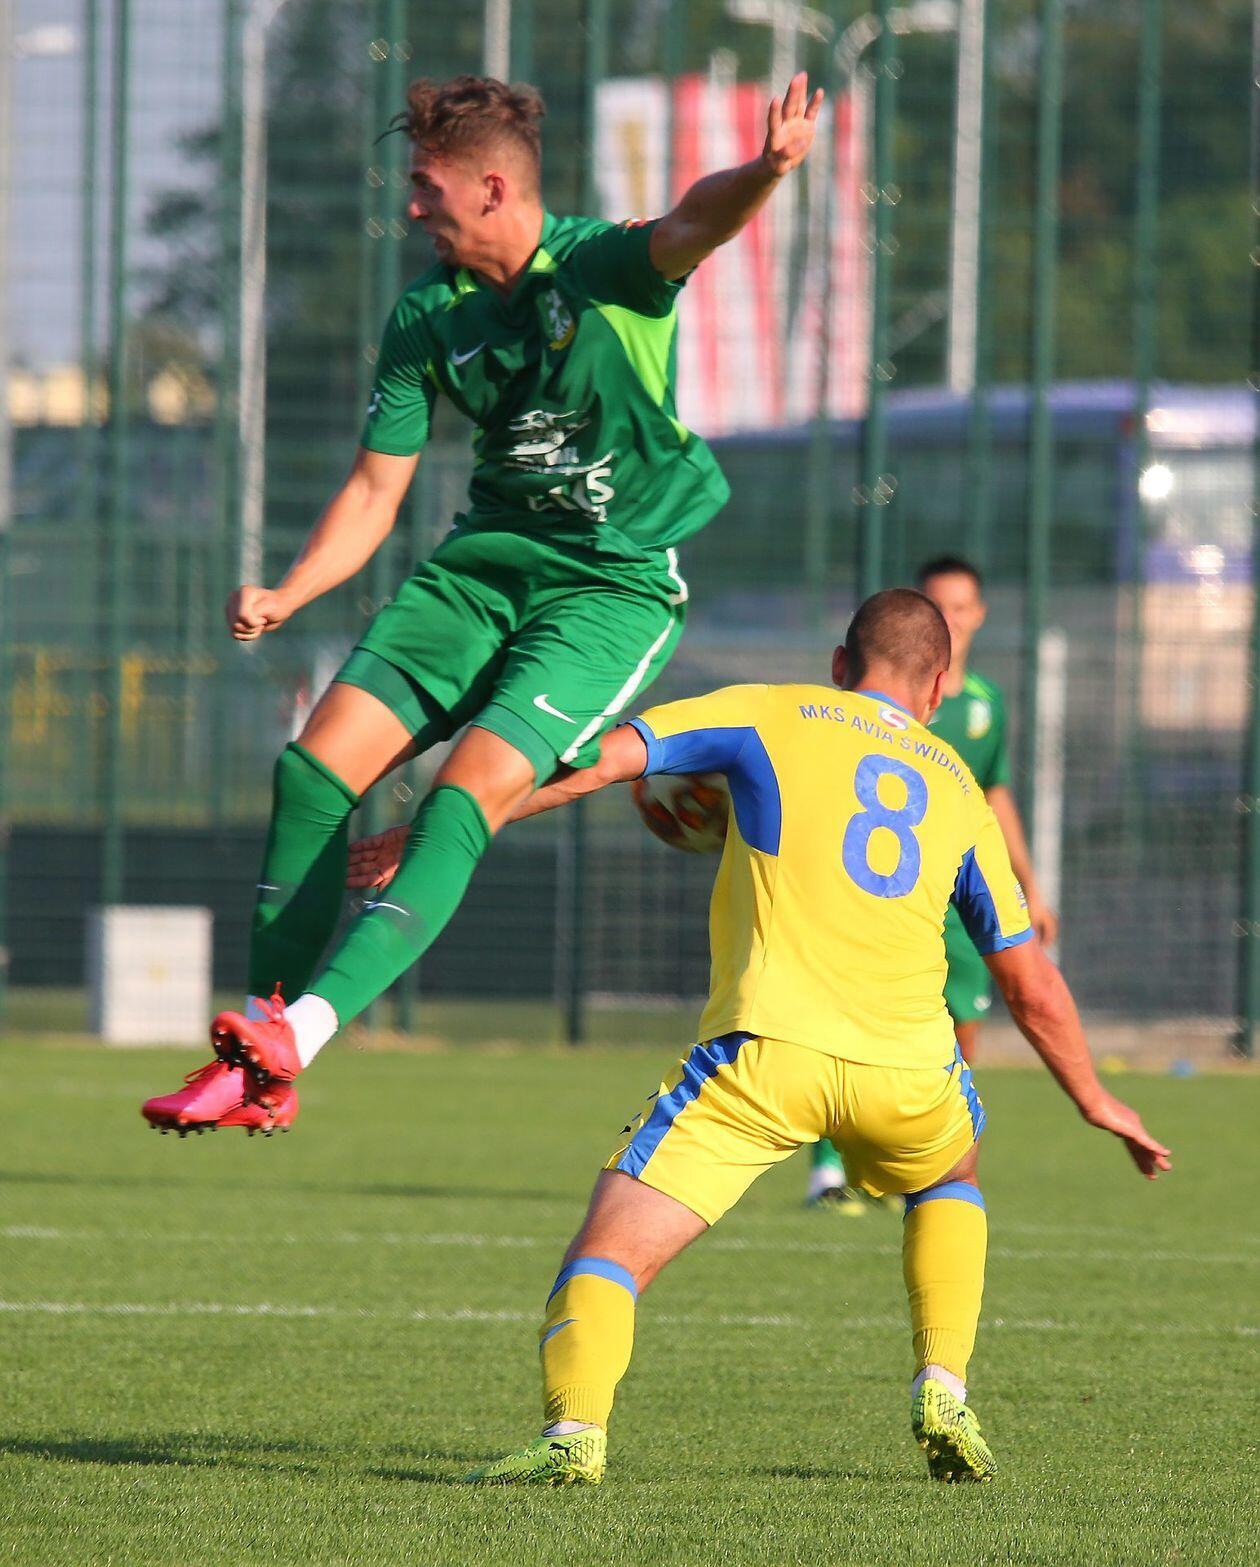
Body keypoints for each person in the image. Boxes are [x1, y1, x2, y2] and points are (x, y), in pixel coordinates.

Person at [141, 70, 824, 1133]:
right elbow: (375, 492)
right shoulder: (426, 316)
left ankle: (296, 1040)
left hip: (609, 585)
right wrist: (290, 589)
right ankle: (251, 1061)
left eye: (428, 186)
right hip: (481, 570)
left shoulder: (600, 267)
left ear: (493, 188)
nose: (413, 206)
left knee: (462, 797)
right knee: (312, 771)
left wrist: (768, 171)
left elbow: (697, 220)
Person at [411, 588, 1165, 1487]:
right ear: (936, 690)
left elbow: (603, 759)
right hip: (911, 1070)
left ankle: (575, 1431)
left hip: (767, 1055)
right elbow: (1028, 979)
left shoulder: (767, 711)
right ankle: (943, 1384)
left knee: (608, 1253)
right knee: (950, 1175)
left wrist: (453, 826)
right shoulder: (958, 784)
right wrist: (1095, 1096)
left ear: (840, 665)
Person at [805, 553, 1058, 1208]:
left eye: (962, 606)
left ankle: (925, 1162)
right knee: (847, 1019)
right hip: (890, 889)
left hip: (961, 896)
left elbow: (994, 793)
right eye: (938, 604)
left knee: (961, 1028)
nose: (952, 617)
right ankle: (830, 1171)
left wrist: (1028, 884)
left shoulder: (985, 705)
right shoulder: (886, 698)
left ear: (980, 614)